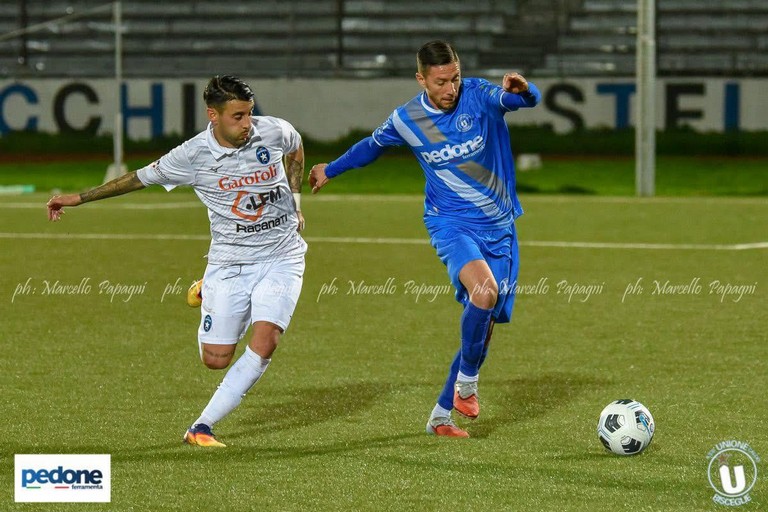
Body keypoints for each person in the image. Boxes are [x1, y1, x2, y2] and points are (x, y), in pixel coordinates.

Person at [47, 75, 307, 447]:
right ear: (212, 116)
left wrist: (296, 204)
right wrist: (79, 198)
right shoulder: (192, 155)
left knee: (266, 340)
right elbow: (139, 179)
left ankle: (201, 426)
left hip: (283, 254)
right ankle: (206, 289)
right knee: (216, 359)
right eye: (237, 116)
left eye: (249, 113)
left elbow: (295, 149)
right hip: (230, 262)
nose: (247, 123)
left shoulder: (273, 131)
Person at [309, 41, 541, 438]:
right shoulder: (409, 119)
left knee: (483, 328)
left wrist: (525, 89)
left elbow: (522, 100)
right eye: (440, 82)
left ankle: (440, 415)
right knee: (483, 294)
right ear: (421, 79)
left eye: (454, 78)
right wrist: (332, 168)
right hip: (450, 224)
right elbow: (371, 147)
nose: (450, 89)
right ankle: (466, 385)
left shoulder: (480, 96)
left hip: (500, 229)